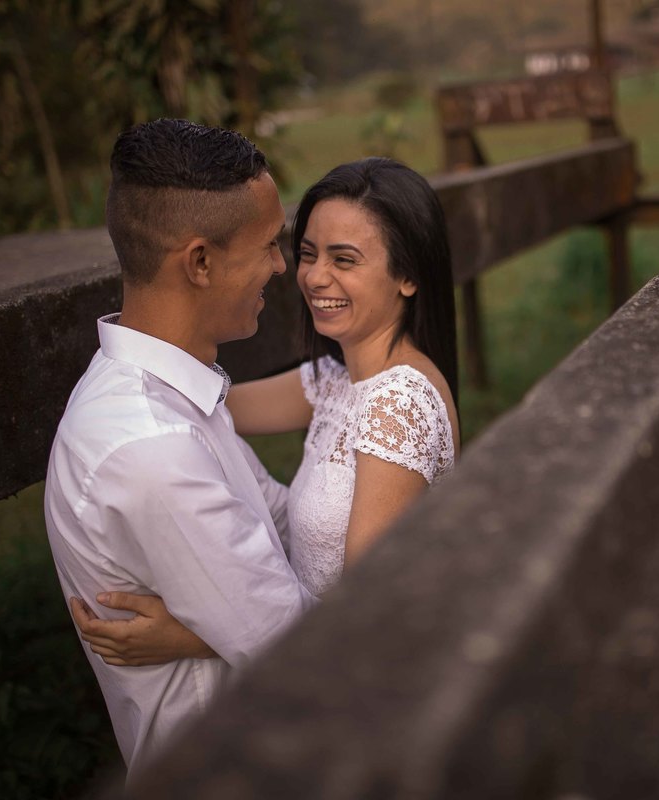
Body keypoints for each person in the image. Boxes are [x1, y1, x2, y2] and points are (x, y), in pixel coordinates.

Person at [70, 157, 460, 665]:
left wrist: (198, 639)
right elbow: (198, 400)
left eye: (344, 260)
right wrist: (120, 378)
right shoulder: (335, 381)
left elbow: (364, 618)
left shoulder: (399, 404)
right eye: (308, 253)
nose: (314, 277)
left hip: (362, 678)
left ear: (407, 275)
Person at [43, 118, 317, 777]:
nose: (281, 266)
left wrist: (200, 635)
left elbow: (279, 520)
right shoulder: (153, 449)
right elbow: (306, 651)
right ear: (199, 262)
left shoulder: (169, 398)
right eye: (268, 245)